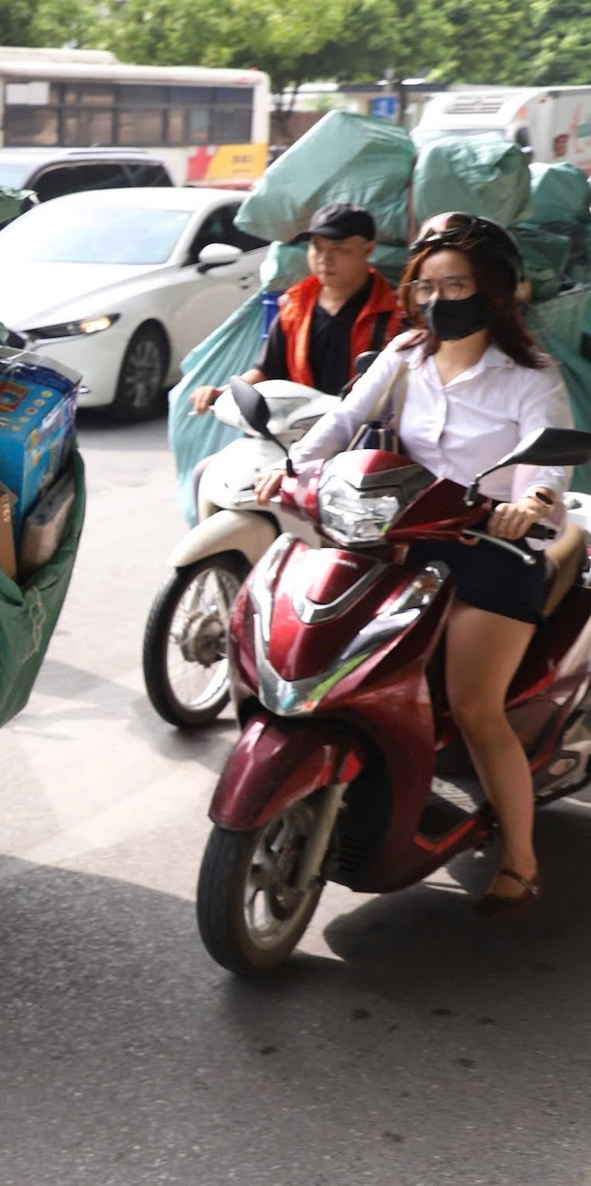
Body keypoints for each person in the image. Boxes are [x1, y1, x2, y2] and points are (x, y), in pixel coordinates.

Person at [255, 213, 570, 915]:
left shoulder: (530, 378)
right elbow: (342, 419)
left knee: (474, 704)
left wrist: (529, 503)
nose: (437, 299)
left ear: (494, 293)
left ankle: (520, 857)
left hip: (491, 547)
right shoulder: (405, 355)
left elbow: (544, 468)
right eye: (426, 285)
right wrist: (295, 467)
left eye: (454, 284)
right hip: (397, 531)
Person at [191, 202, 401, 413]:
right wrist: (224, 393)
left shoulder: (394, 313)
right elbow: (267, 371)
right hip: (303, 429)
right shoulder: (295, 307)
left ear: (368, 250)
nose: (324, 259)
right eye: (317, 247)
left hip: (363, 433)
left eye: (339, 249)